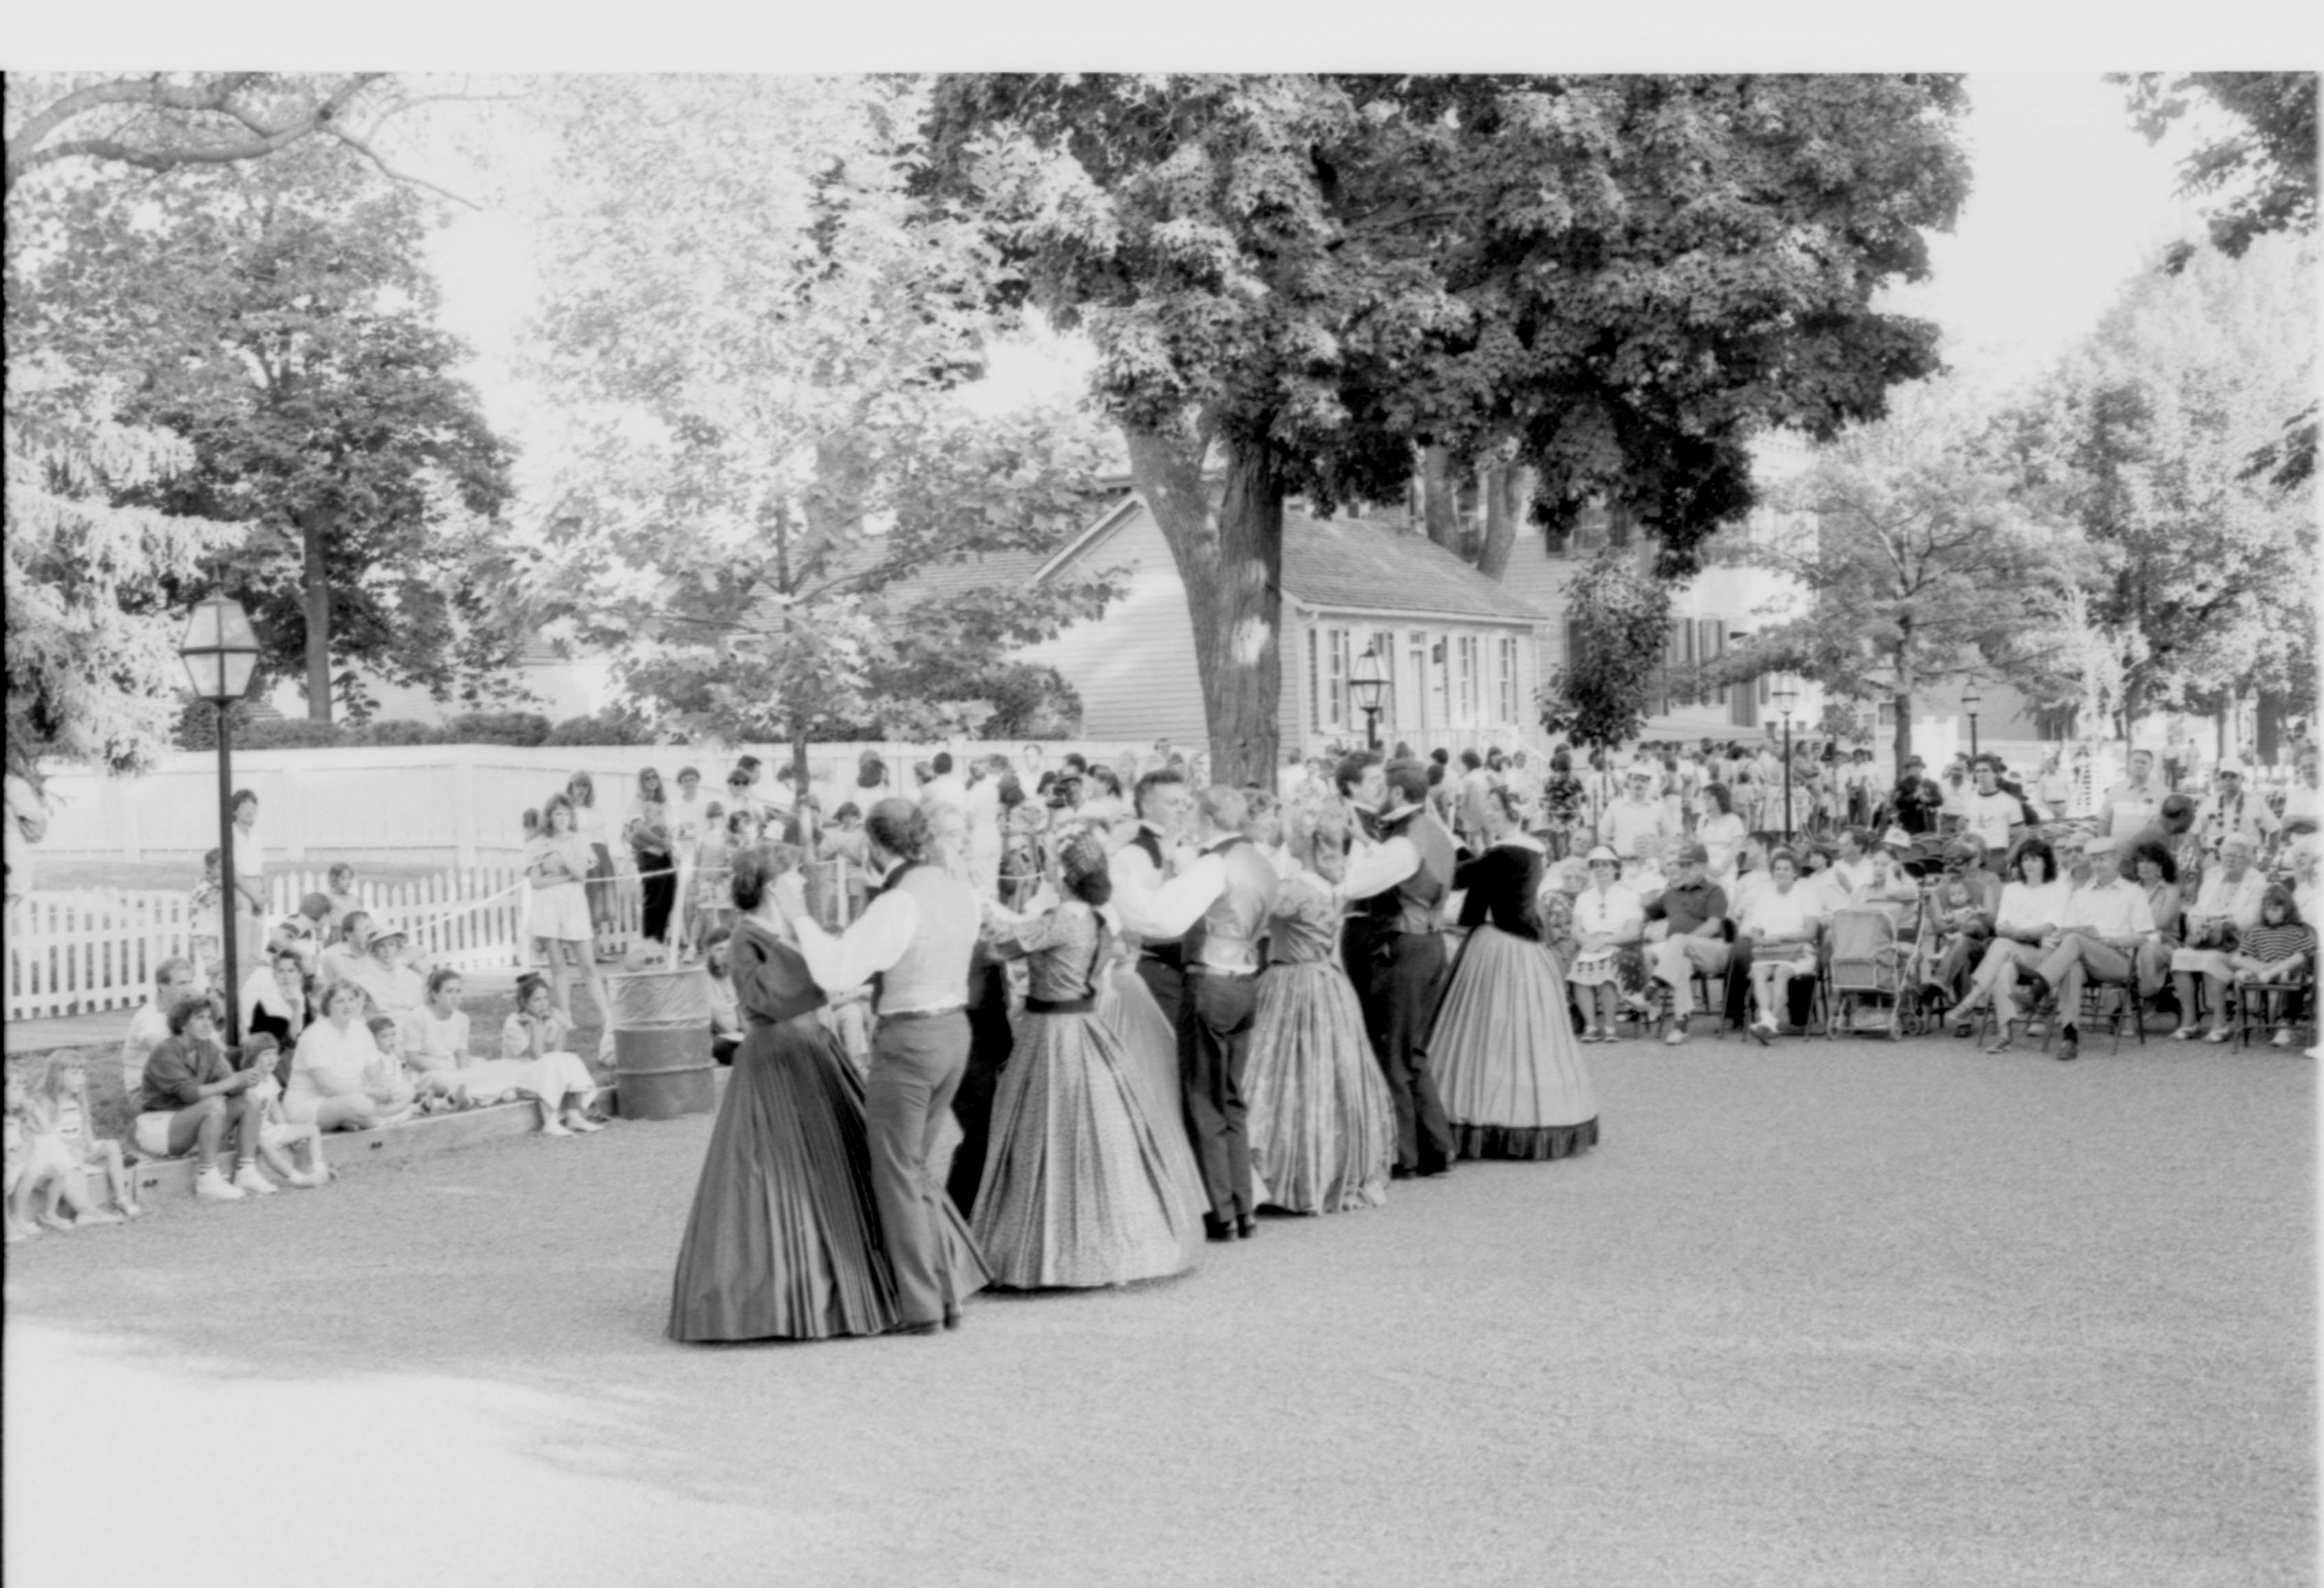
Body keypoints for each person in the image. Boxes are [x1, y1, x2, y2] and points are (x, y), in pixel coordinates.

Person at [673, 844, 946, 1341]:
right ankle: (787, 1292)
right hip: (774, 1060)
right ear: (774, 885)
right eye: (795, 876)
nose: (803, 882)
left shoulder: (790, 930)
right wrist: (807, 948)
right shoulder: (744, 938)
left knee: (841, 1166)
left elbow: (828, 977)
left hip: (815, 1050)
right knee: (776, 1177)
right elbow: (768, 998)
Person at [789, 800, 994, 1335]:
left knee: (898, 1171)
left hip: (912, 1036)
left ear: (875, 845)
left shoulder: (899, 902)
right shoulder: (958, 891)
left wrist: (802, 920)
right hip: (954, 1027)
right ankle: (945, 1290)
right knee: (919, 1166)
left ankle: (922, 1304)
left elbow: (838, 970)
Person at [970, 828, 1206, 1286]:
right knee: (1098, 1137)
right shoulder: (1101, 919)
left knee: (1047, 1133)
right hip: (1087, 1026)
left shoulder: (1059, 919)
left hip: (1051, 1030)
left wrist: (987, 915)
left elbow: (1000, 947)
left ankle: (1051, 1253)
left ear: (1063, 876)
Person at [1430, 786, 1599, 1157]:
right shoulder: (1526, 850)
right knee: (1514, 1032)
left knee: (1493, 1031)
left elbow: (1458, 877)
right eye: (1488, 807)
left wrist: (1438, 838)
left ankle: (1491, 1115)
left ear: (1511, 813)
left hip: (1501, 946)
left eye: (1494, 808)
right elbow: (1476, 868)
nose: (1488, 813)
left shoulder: (1508, 852)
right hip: (1519, 947)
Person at [1242, 810, 1395, 1213]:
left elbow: (1250, 912)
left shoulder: (1293, 889)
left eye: (1292, 833)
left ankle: (1290, 1173)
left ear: (1308, 842)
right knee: (1327, 1078)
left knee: (1287, 1077)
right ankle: (1328, 1167)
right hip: (1327, 982)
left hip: (1293, 982)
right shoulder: (1329, 885)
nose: (1286, 837)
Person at [1337, 759, 1460, 1179]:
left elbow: (1355, 885)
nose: (1374, 793)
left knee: (1392, 1053)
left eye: (1381, 787)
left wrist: (1351, 850)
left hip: (1403, 948)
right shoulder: (1430, 830)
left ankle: (1402, 1154)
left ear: (1398, 795)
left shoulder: (1404, 841)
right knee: (1411, 1051)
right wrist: (1364, 839)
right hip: (1427, 943)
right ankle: (1436, 1147)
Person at [2015, 834, 2158, 1062]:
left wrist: (2109, 941)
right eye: (2094, 860)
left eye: (2103, 859)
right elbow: (2065, 931)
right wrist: (2076, 934)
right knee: (2071, 963)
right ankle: (2069, 1037)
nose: (2098, 865)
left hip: (2118, 960)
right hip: (2083, 957)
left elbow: (2143, 937)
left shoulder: (2134, 893)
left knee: (2075, 941)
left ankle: (2038, 990)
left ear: (2116, 860)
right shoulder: (2081, 895)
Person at [135, 996, 274, 1201]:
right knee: (213, 1105)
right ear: (182, 1023)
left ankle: (246, 1171)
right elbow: (189, 1093)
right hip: (159, 1126)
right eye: (200, 1017)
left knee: (248, 1099)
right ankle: (207, 1179)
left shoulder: (208, 1047)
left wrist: (248, 1079)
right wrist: (233, 1082)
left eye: (210, 1017)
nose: (208, 1023)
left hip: (191, 1120)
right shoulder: (165, 1050)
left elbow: (231, 1085)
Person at [1944, 840, 2070, 1050]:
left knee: (2002, 946)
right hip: (2012, 949)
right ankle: (2004, 1036)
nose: (2029, 864)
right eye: (2025, 859)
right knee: (2003, 967)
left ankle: (1971, 1000)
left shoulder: (2058, 889)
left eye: (2035, 859)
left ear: (2046, 862)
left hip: (2044, 954)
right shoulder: (2012, 889)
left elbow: (2049, 928)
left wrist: (2018, 933)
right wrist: (2011, 932)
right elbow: (2002, 924)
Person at [528, 795, 615, 1054]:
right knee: (558, 966)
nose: (562, 818)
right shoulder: (538, 844)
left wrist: (564, 859)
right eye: (557, 814)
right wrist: (563, 877)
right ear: (550, 817)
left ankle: (607, 1016)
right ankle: (565, 1016)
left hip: (574, 905)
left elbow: (581, 875)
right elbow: (536, 882)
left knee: (588, 965)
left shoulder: (578, 841)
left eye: (566, 813)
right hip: (548, 905)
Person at [15, 1052, 136, 1227]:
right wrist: (70, 1147)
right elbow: (46, 1135)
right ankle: (86, 1211)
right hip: (61, 1152)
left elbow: (85, 1120)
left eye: (83, 1074)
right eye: (75, 1074)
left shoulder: (78, 1098)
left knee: (111, 1145)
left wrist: (89, 1139)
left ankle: (121, 1197)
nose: (81, 1079)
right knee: (75, 1154)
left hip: (79, 1146)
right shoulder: (45, 1100)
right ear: (58, 1075)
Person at [2170, 833, 2271, 1042]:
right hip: (2208, 939)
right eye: (2225, 855)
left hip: (2240, 944)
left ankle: (2220, 1022)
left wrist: (2222, 924)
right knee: (2179, 956)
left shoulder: (2258, 882)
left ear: (2248, 859)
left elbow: (2251, 917)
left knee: (2210, 960)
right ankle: (2189, 1019)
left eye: (2236, 855)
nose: (2229, 860)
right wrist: (2198, 923)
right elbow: (2196, 909)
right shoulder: (2213, 876)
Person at [285, 981, 413, 1133]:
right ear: (328, 1005)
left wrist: (386, 1089)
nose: (347, 1006)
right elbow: (328, 1087)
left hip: (352, 1098)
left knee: (406, 1091)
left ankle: (355, 1121)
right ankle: (378, 1121)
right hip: (312, 1103)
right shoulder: (314, 1035)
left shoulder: (361, 1030)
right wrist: (371, 1093)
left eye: (351, 1000)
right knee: (360, 1104)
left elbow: (376, 1073)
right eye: (340, 1001)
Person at [1644, 841, 1731, 1044]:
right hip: (1681, 954)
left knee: (1678, 941)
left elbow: (1712, 926)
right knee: (1679, 961)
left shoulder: (1715, 891)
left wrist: (1685, 941)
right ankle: (1680, 1025)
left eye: (1688, 865)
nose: (1683, 870)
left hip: (1712, 951)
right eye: (1681, 865)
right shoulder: (1671, 894)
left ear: (1702, 867)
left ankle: (1652, 987)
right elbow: (1645, 914)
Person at [498, 975, 608, 1133]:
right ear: (523, 1002)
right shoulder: (513, 1023)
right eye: (537, 1000)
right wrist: (536, 1024)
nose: (543, 1004)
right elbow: (536, 1055)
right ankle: (550, 1121)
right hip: (517, 1076)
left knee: (569, 1058)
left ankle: (573, 1116)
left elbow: (557, 1053)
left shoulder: (545, 1019)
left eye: (545, 998)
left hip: (537, 1071)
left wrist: (562, 1025)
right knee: (553, 1062)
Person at [1738, 847, 1825, 1044]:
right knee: (1759, 972)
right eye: (1777, 868)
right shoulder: (1764, 898)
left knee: (1781, 972)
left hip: (1800, 951)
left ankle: (1769, 1022)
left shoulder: (1807, 895)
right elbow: (1756, 931)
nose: (1781, 872)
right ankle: (1768, 1021)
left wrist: (1780, 938)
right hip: (1769, 951)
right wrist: (1761, 941)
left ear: (1795, 872)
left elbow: (1810, 932)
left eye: (1786, 868)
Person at [1565, 845, 1646, 1043]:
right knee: (1580, 972)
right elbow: (1575, 929)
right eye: (1596, 866)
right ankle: (1591, 1026)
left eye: (1605, 865)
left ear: (1616, 869)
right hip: (1591, 945)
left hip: (1620, 945)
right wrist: (1589, 942)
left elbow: (1634, 932)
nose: (1601, 870)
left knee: (1607, 972)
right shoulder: (1584, 897)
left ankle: (1610, 1027)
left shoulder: (1629, 896)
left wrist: (1606, 941)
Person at [2228, 888, 2315, 1048]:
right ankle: (2268, 973)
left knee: (2299, 958)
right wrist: (2261, 966)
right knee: (2236, 959)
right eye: (2267, 909)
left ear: (2287, 909)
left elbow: (2305, 955)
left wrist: (2279, 966)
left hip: (2287, 971)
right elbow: (2242, 956)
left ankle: (2283, 1025)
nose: (2270, 913)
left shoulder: (2296, 930)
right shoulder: (2258, 930)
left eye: (2275, 909)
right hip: (2264, 969)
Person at [121, 957, 202, 1098]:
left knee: (245, 1100)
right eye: (182, 984)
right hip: (146, 1092)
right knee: (216, 1103)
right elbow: (166, 1054)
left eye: (191, 982)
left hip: (175, 1082)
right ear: (162, 986)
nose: (189, 989)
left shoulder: (183, 1012)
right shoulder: (149, 1017)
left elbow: (216, 1048)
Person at [563, 771, 617, 959]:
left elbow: (601, 834)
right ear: (571, 787)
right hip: (581, 857)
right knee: (578, 905)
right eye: (578, 786)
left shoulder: (595, 808)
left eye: (585, 786)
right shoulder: (567, 810)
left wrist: (606, 857)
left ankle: (596, 951)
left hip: (600, 855)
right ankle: (574, 953)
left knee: (597, 906)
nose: (581, 790)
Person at [627, 767, 678, 956]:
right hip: (650, 855)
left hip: (666, 855)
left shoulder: (662, 803)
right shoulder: (637, 803)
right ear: (641, 782)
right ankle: (649, 945)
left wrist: (669, 841)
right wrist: (660, 842)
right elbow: (639, 829)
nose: (651, 780)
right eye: (647, 778)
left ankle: (659, 943)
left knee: (667, 899)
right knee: (653, 900)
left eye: (654, 777)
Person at [226, 789, 267, 992]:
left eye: (253, 808)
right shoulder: (230, 834)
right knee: (242, 947)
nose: (250, 812)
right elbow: (232, 871)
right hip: (241, 889)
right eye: (245, 808)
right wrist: (253, 895)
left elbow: (262, 868)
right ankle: (237, 990)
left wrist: (263, 893)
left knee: (256, 946)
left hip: (257, 889)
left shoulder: (256, 836)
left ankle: (249, 989)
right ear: (234, 811)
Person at [240, 948, 311, 1063]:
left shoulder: (302, 999)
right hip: (269, 1058)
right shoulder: (264, 1001)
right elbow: (291, 1039)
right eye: (281, 971)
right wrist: (295, 1010)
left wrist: (296, 1009)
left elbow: (302, 1037)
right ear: (274, 973)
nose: (286, 976)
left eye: (291, 970)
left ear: (299, 974)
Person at [2194, 763, 2281, 857]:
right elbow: (2194, 831)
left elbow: (2275, 830)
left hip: (2246, 857)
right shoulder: (2209, 802)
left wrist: (2269, 858)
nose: (2228, 780)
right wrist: (2200, 858)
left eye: (2233, 776)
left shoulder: (2255, 802)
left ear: (2242, 779)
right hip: (2214, 857)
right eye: (2224, 776)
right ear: (2219, 779)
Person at [1960, 757, 2023, 865]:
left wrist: (2007, 860)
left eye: (1985, 770)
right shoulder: (1969, 798)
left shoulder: (2010, 801)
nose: (1981, 775)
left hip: (1996, 856)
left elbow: (2022, 836)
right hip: (1972, 857)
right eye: (1978, 771)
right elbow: (1966, 828)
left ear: (1996, 774)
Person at [2098, 749, 2169, 841]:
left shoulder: (2163, 793)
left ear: (2151, 767)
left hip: (2148, 852)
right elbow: (2104, 820)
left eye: (2144, 762)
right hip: (2117, 851)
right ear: (2129, 765)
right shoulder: (2116, 789)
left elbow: (2169, 825)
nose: (2139, 765)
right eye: (2136, 762)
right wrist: (2102, 844)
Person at [1601, 765, 1670, 858]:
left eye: (1643, 781)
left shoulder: (1658, 807)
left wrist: (1659, 852)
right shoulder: (1615, 806)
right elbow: (1603, 835)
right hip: (1622, 861)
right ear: (1628, 782)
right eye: (1635, 779)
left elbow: (1668, 835)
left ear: (1649, 784)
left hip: (1650, 863)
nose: (1639, 784)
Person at [703, 929, 744, 1066]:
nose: (725, 954)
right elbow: (719, 1021)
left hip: (742, 1034)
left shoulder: (740, 972)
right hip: (718, 1037)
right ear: (709, 953)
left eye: (728, 948)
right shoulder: (702, 978)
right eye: (719, 950)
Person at [188, 848, 224, 989]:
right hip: (204, 933)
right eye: (219, 867)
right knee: (215, 968)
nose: (223, 871)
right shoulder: (200, 885)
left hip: (216, 932)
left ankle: (219, 992)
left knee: (222, 966)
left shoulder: (220, 885)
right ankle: (216, 993)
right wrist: (216, 886)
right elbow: (208, 901)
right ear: (209, 868)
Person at [322, 863, 361, 939]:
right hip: (337, 934)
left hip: (351, 934)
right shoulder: (330, 898)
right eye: (344, 878)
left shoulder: (353, 898)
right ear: (334, 880)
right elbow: (322, 919)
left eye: (350, 878)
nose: (348, 882)